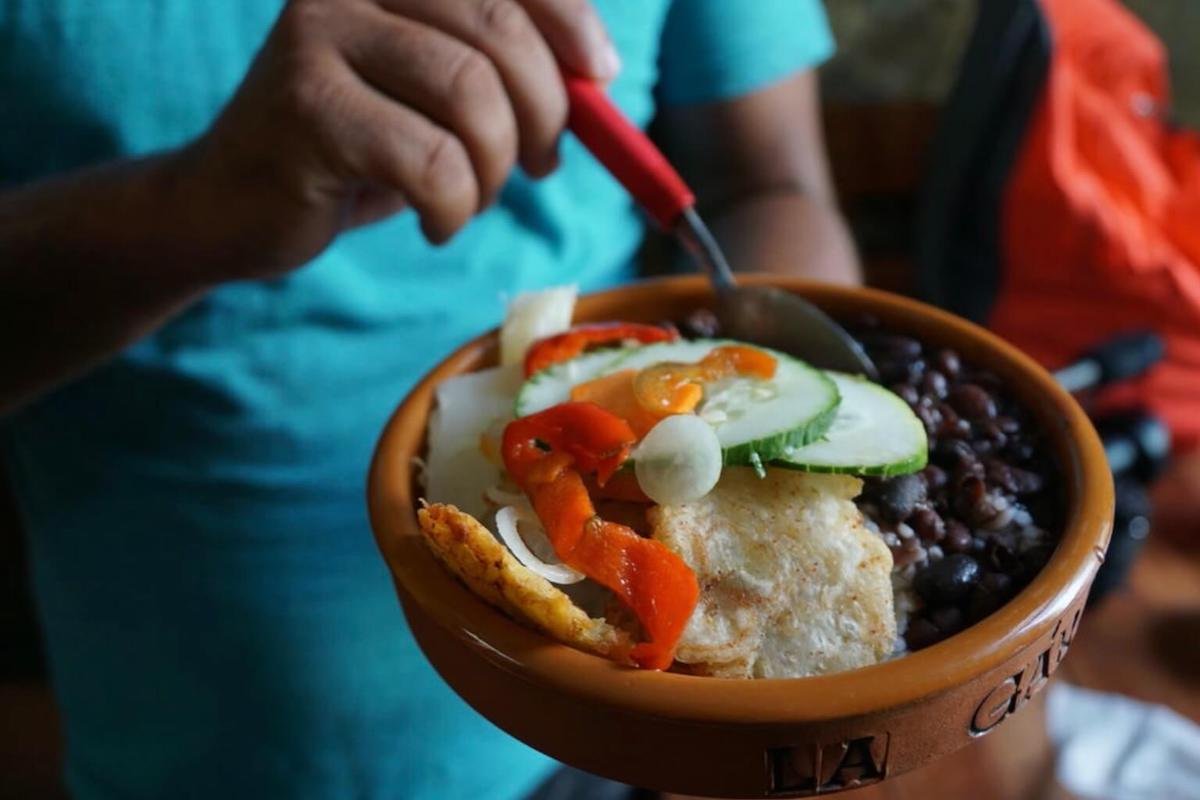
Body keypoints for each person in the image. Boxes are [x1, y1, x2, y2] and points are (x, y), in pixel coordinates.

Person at [0, 0, 857, 797]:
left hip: (611, 739)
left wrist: (773, 475)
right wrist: (192, 203)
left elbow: (769, 184)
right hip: (179, 750)